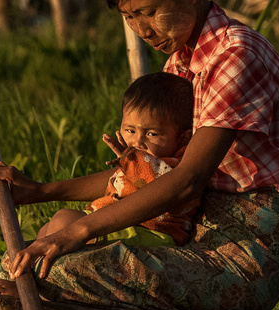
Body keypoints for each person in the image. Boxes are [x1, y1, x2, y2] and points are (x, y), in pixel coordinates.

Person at [0, 0, 279, 310]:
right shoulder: (180, 64)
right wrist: (41, 191)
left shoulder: (236, 55)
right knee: (54, 230)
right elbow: (152, 173)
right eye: (129, 17)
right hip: (188, 237)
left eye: (149, 11)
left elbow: (185, 181)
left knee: (60, 265)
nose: (142, 29)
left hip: (241, 260)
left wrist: (81, 232)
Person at [25, 71, 203, 251]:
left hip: (154, 234)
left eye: (152, 134)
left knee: (63, 219)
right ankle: (30, 276)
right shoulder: (139, 156)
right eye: (130, 130)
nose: (138, 141)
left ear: (183, 138)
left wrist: (130, 159)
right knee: (47, 229)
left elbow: (159, 182)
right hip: (123, 224)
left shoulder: (180, 161)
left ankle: (40, 275)